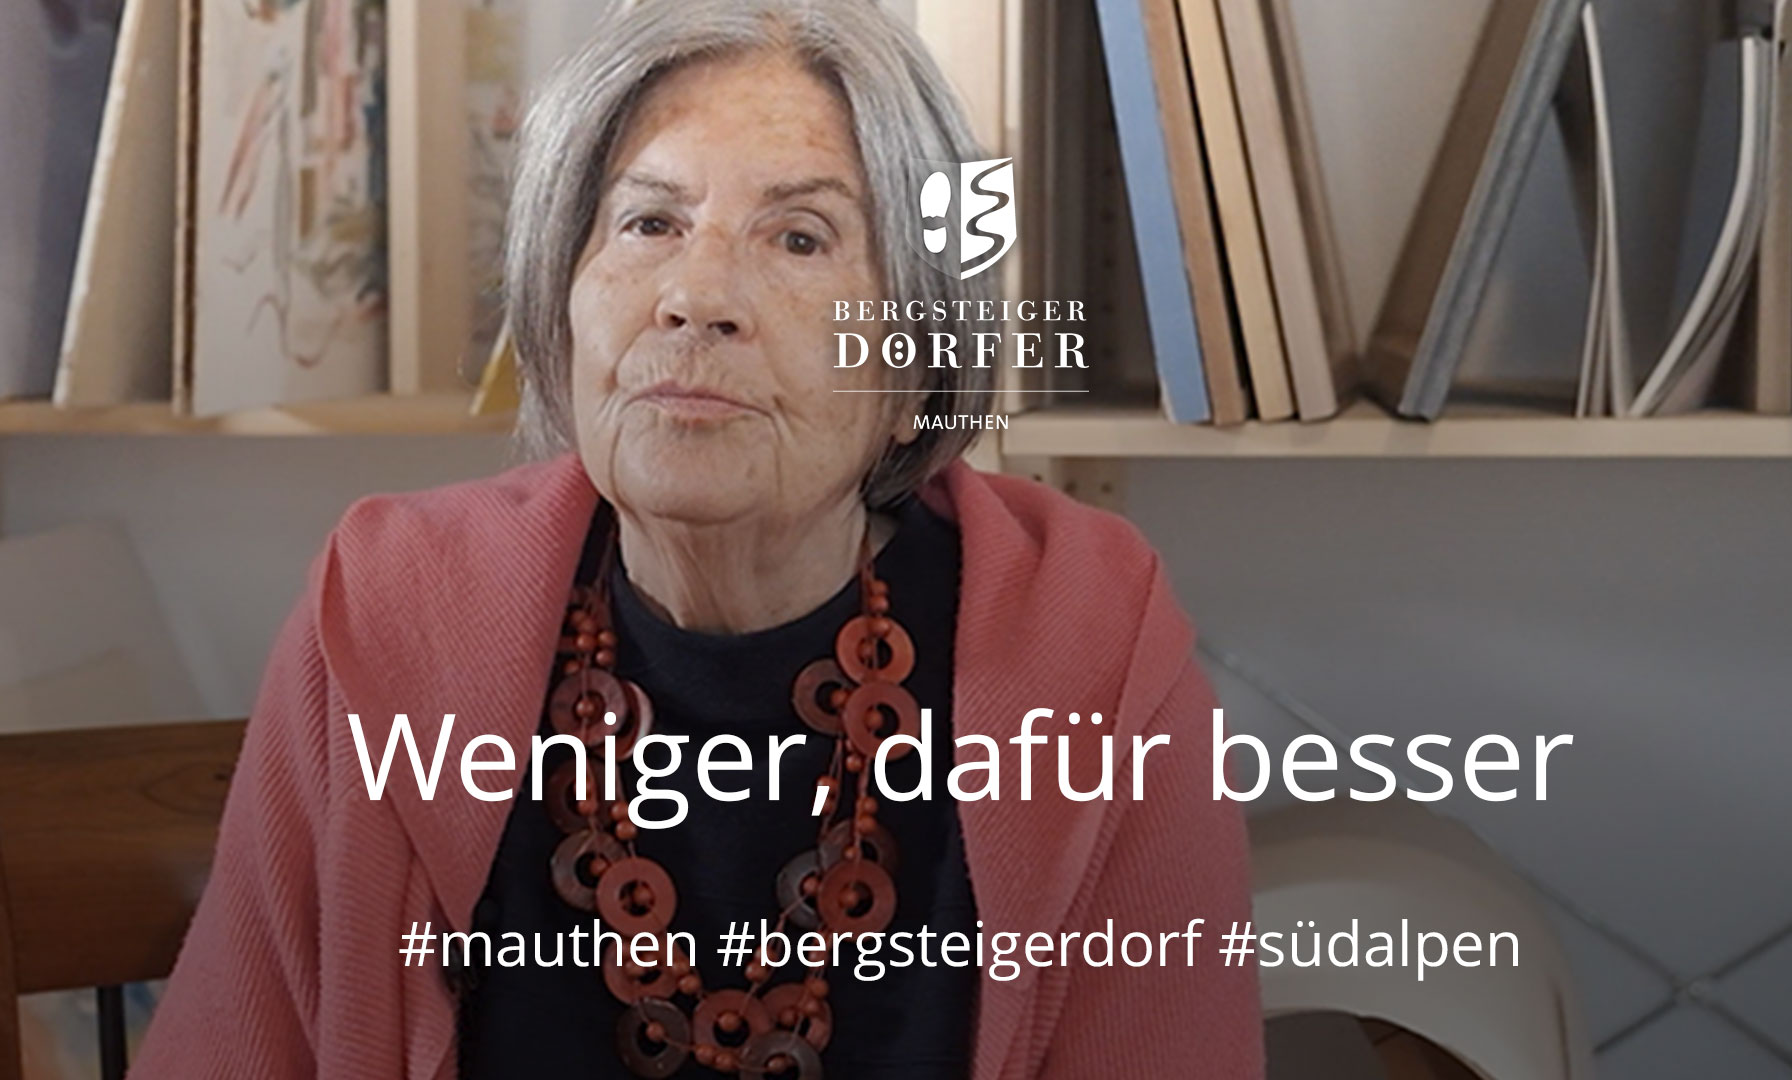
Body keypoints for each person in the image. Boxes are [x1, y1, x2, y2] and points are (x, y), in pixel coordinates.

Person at [133, 2, 1260, 1076]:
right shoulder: (384, 615)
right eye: (650, 223)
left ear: (917, 370)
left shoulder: (1098, 656)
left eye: (801, 238)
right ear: (562, 300)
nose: (697, 295)